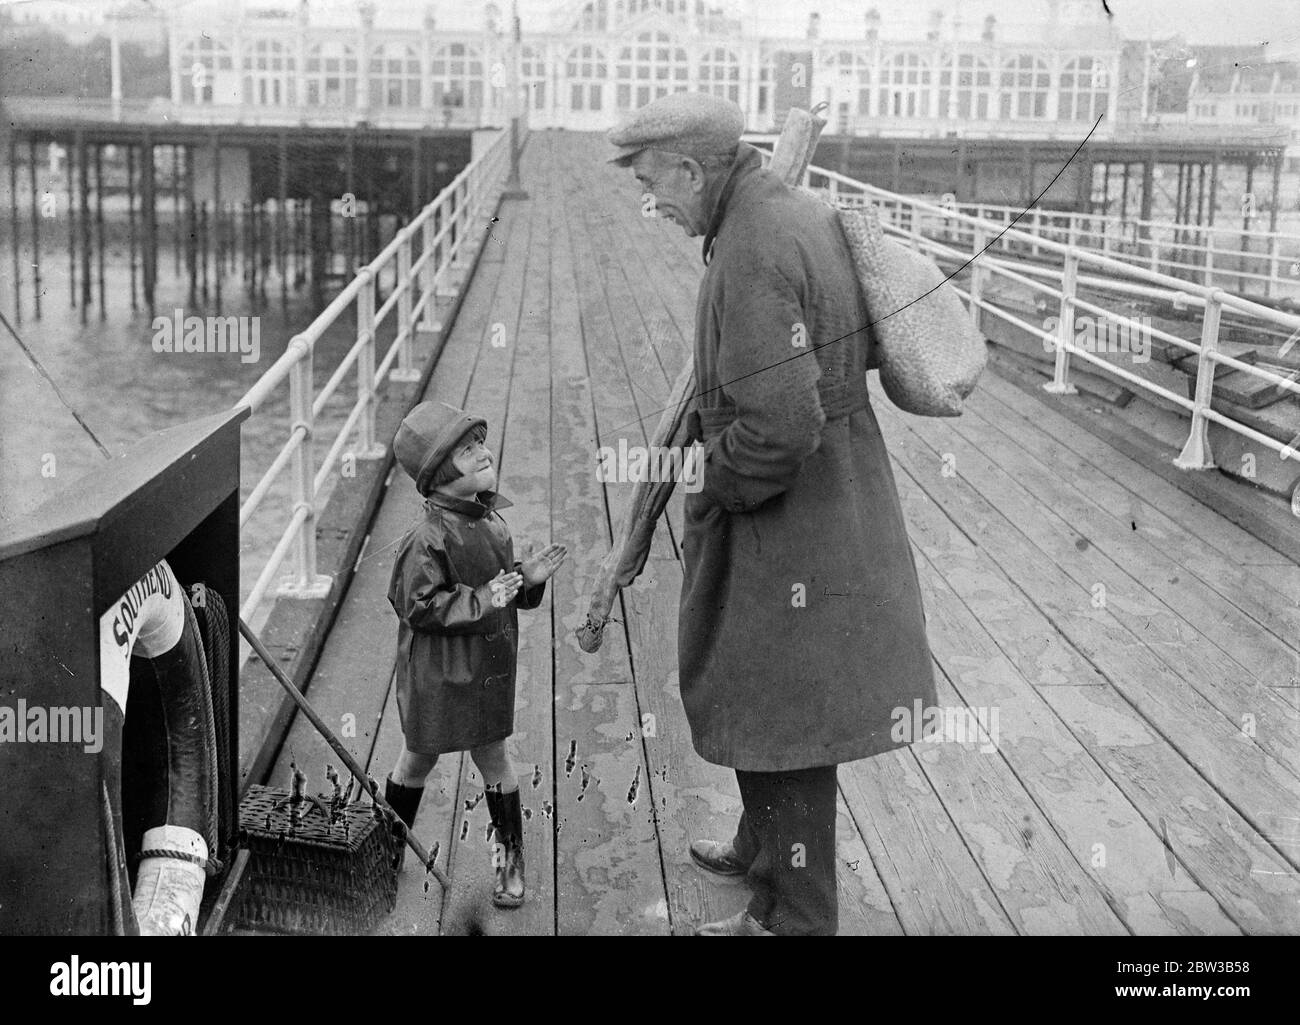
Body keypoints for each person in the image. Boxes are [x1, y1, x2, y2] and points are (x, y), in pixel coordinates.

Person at [607, 93, 938, 935]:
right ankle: (762, 849)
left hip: (788, 522)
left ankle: (793, 917)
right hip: (838, 496)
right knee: (767, 699)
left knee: (784, 721)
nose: (656, 207)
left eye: (657, 187)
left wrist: (710, 484)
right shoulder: (791, 210)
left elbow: (780, 426)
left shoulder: (752, 249)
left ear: (693, 168)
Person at [384, 401, 567, 908]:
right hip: (438, 675)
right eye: (467, 450)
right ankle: (387, 849)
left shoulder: (493, 523)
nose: (484, 453)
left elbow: (505, 587)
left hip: (487, 670)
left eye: (481, 444)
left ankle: (510, 864)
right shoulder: (425, 539)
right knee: (416, 759)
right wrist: (486, 598)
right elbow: (415, 605)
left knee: (494, 759)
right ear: (439, 475)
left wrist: (525, 582)